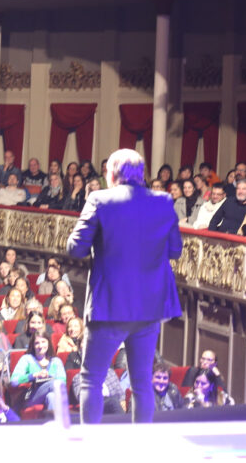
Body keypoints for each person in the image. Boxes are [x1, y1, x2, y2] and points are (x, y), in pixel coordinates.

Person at [66, 148, 183, 424]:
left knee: (91, 378)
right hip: (148, 307)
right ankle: (139, 449)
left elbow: (75, 249)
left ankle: (88, 447)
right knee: (142, 382)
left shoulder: (99, 199)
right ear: (141, 174)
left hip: (110, 304)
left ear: (112, 173)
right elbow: (175, 250)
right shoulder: (164, 201)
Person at [11, 334, 67, 411]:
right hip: (32, 396)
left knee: (51, 396)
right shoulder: (26, 359)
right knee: (55, 384)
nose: (40, 346)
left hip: (52, 392)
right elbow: (14, 381)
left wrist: (48, 377)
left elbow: (63, 383)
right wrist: (33, 375)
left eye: (43, 342)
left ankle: (52, 421)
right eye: (37, 343)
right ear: (33, 345)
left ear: (48, 343)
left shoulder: (56, 361)